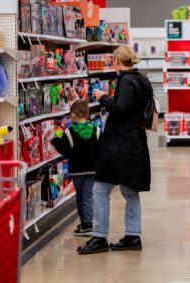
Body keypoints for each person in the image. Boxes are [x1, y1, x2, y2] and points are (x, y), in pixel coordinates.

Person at [77, 46, 152, 254]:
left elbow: (121, 110)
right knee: (129, 191)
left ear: (118, 62)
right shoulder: (141, 79)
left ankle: (100, 237)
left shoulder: (126, 81)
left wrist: (103, 97)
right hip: (133, 142)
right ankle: (132, 235)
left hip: (120, 145)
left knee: (100, 189)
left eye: (113, 61)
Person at [51, 100, 100, 236]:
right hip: (92, 170)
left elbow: (64, 150)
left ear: (73, 115)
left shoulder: (69, 132)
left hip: (77, 170)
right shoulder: (96, 130)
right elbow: (101, 149)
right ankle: (87, 223)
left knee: (80, 196)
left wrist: (55, 140)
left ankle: (86, 224)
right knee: (89, 196)